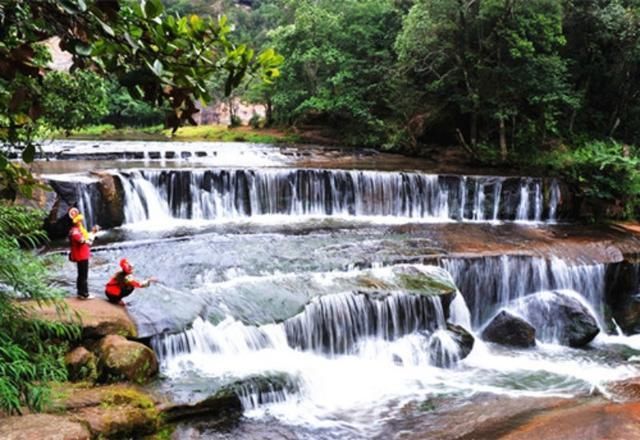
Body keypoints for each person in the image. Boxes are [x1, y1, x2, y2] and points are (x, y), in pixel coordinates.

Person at [68, 207, 99, 299]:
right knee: (83, 275)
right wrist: (93, 235)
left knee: (81, 274)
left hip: (82, 254)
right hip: (81, 255)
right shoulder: (75, 232)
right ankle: (84, 294)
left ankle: (80, 292)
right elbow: (85, 241)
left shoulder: (77, 230)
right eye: (79, 221)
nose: (80, 222)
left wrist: (93, 233)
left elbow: (86, 239)